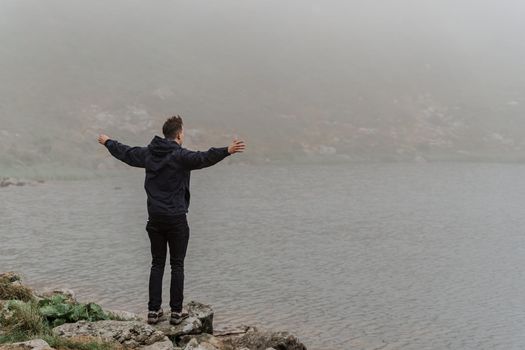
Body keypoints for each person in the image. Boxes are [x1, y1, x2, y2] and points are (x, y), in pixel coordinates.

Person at [97, 115, 246, 325]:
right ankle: (176, 312)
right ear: (179, 134)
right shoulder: (180, 156)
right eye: (183, 132)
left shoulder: (149, 154)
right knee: (177, 266)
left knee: (157, 264)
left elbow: (127, 153)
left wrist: (108, 142)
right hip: (176, 218)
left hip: (155, 218)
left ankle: (153, 311)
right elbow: (204, 158)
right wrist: (227, 150)